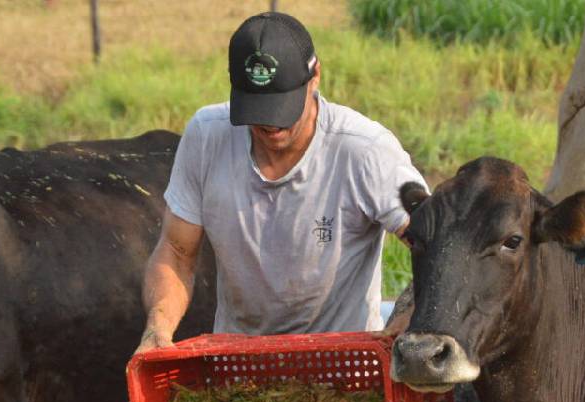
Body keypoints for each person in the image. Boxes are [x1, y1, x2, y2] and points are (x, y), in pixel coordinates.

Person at [136, 11, 427, 352]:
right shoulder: (207, 136)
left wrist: (409, 313)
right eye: (258, 110)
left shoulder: (363, 151)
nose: (271, 127)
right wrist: (158, 327)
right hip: (240, 365)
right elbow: (175, 250)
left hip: (345, 366)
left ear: (314, 75)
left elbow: (439, 244)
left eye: (281, 108)